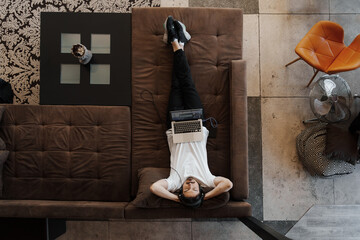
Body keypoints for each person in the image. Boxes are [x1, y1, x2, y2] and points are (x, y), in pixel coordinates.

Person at [150, 16, 233, 208]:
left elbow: (155, 188)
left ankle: (178, 43)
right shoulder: (207, 179)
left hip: (175, 127)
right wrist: (204, 197)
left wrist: (176, 197)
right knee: (187, 84)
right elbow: (228, 184)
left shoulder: (174, 183)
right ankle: (176, 43)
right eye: (193, 189)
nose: (189, 185)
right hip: (197, 124)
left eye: (186, 190)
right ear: (200, 189)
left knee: (177, 85)